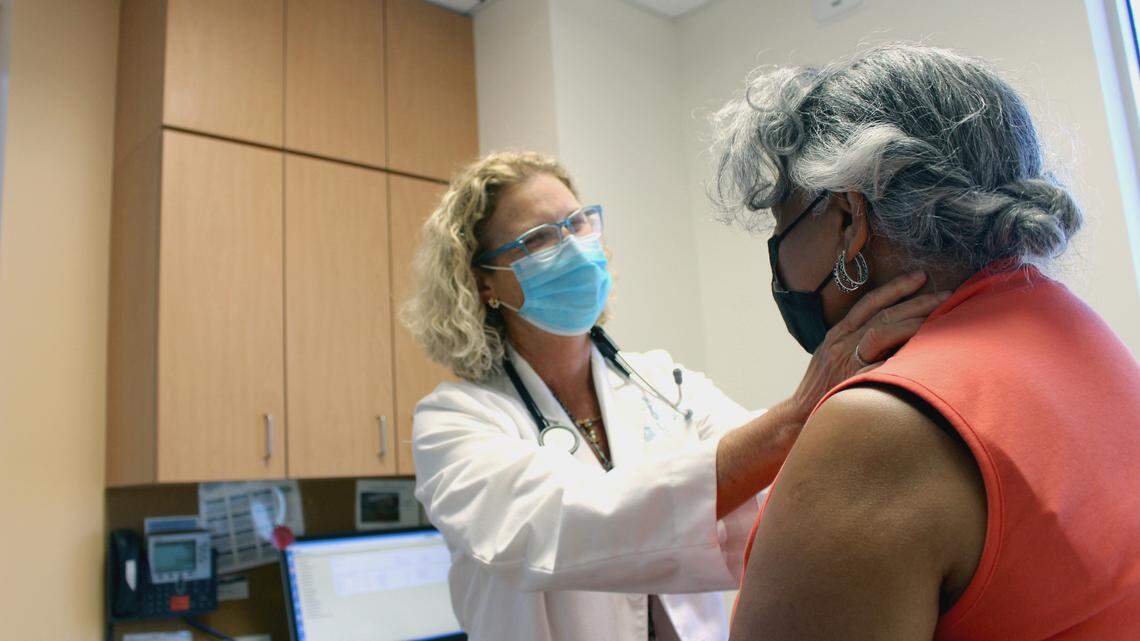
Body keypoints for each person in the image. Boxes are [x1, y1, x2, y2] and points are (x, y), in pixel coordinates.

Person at [404, 150, 948, 641]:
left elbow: (776, 491)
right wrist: (797, 414)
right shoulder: (454, 422)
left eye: (579, 222)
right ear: (483, 284)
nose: (574, 246)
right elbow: (553, 527)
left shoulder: (664, 383)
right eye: (540, 238)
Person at [711, 43, 1140, 641]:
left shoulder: (880, 427)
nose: (779, 266)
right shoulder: (1084, 335)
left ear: (848, 219)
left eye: (784, 228)